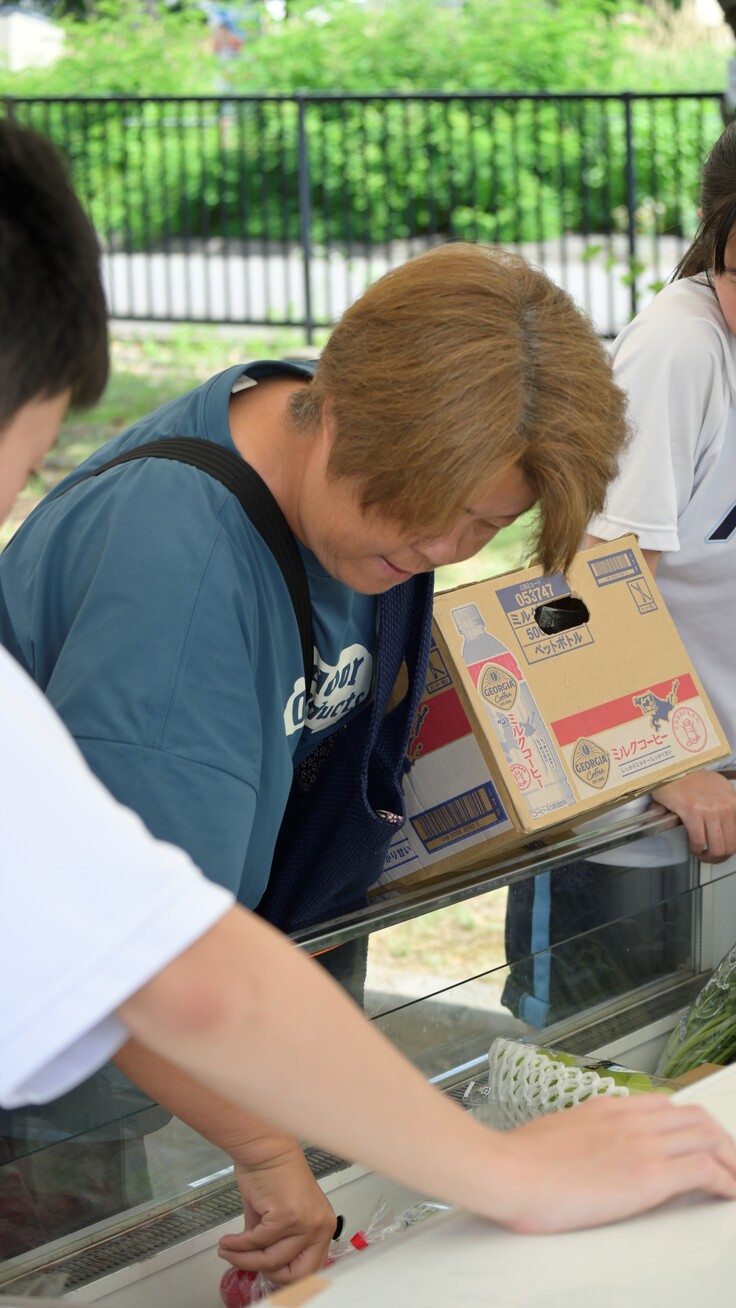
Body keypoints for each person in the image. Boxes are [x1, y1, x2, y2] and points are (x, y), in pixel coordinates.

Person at [2, 116, 736, 1283]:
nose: (442, 544)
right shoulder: (178, 578)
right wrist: (264, 1141)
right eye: (425, 511)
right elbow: (153, 968)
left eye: (481, 528)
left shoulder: (371, 495)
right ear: (339, 412)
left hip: (237, 1008)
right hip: (58, 1078)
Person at [503, 120, 736, 1030]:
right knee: (599, 1070)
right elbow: (577, 587)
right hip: (635, 819)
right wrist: (667, 762)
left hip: (715, 803)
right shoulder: (681, 351)